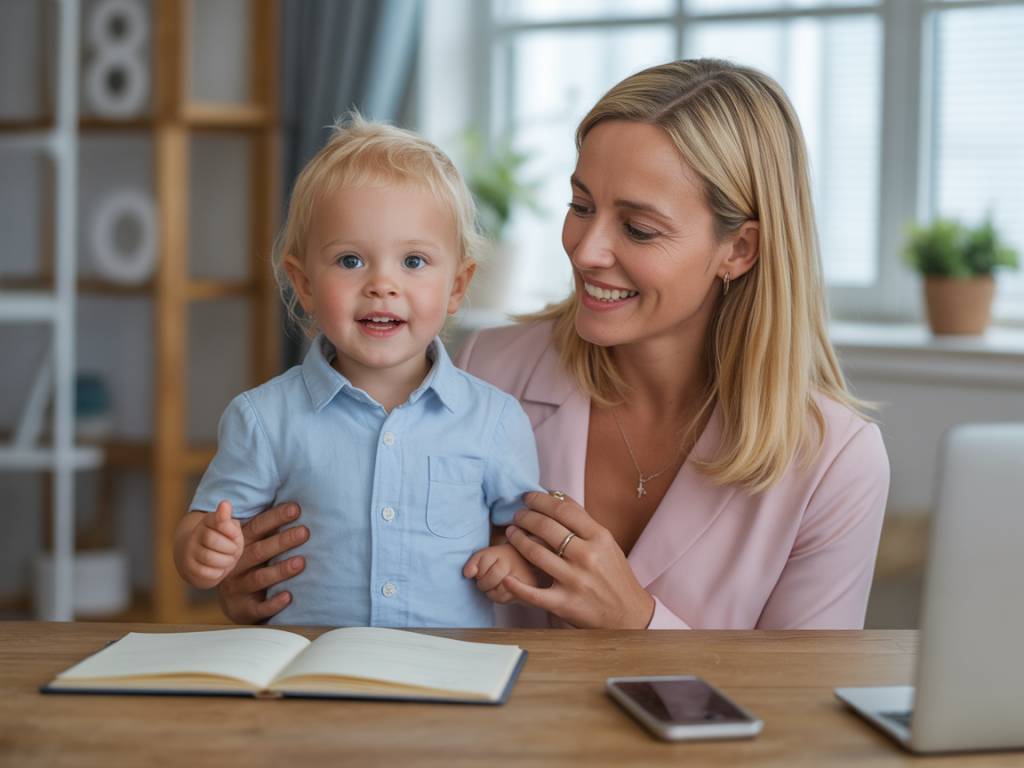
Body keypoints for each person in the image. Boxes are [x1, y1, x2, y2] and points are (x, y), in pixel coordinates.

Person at [218, 59, 890, 630]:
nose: (586, 250)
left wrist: (641, 624)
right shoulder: (488, 369)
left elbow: (802, 709)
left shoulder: (836, 462)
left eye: (639, 228)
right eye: (581, 206)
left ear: (738, 249)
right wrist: (265, 587)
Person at [174, 116, 542, 628]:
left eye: (413, 261)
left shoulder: (495, 420)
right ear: (304, 284)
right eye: (350, 261)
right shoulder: (263, 418)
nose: (382, 285)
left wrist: (511, 560)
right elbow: (205, 523)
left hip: (447, 668)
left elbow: (520, 533)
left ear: (457, 286)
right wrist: (201, 548)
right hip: (310, 666)